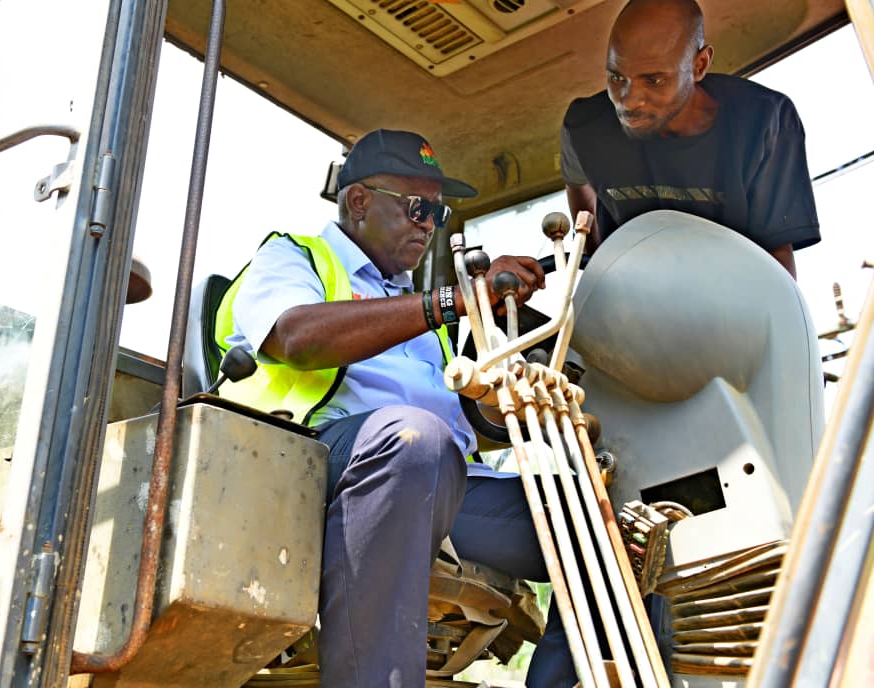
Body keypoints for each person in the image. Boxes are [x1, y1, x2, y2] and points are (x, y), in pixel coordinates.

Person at [215, 129, 577, 686]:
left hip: (435, 479)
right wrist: (450, 301)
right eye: (418, 208)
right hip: (316, 466)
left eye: (439, 211)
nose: (429, 224)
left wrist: (508, 395)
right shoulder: (291, 257)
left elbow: (465, 427)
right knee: (414, 438)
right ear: (358, 202)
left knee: (609, 525)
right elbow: (296, 337)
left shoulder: (409, 304)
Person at [560, 0, 820, 278]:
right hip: (634, 302)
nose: (628, 100)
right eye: (616, 77)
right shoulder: (584, 126)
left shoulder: (764, 122)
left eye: (654, 80)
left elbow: (777, 260)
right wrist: (602, 270)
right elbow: (579, 193)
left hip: (731, 293)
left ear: (699, 65)